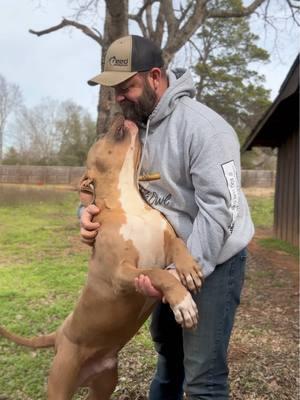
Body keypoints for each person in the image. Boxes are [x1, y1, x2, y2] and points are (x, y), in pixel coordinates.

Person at [80, 35, 254, 400]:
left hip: (215, 259)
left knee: (203, 376)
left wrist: (181, 274)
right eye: (113, 91)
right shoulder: (133, 129)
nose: (118, 99)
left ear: (155, 76)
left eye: (125, 88)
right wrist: (87, 214)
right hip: (166, 261)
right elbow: (104, 183)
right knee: (169, 363)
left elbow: (221, 209)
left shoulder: (205, 130)